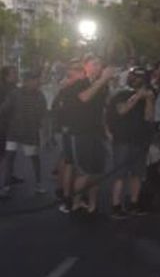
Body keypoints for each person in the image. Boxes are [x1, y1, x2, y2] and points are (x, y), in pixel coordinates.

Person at [66, 56, 117, 214]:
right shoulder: (79, 83)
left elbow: (102, 110)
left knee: (97, 171)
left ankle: (92, 204)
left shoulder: (103, 86)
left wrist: (107, 130)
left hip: (97, 133)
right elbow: (85, 98)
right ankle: (75, 202)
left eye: (100, 64)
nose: (98, 66)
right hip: (81, 132)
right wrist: (103, 79)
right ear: (86, 67)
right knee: (84, 171)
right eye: (94, 64)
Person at [106, 67, 155, 218]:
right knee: (120, 174)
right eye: (135, 76)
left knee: (137, 174)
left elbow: (149, 118)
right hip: (122, 140)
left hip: (140, 140)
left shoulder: (144, 96)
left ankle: (134, 203)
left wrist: (149, 100)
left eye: (141, 77)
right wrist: (137, 96)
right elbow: (122, 110)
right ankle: (116, 205)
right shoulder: (121, 93)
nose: (138, 79)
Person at [0, 71, 49, 197]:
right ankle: (6, 185)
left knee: (34, 158)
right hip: (13, 131)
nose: (37, 82)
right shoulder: (15, 93)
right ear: (27, 81)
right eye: (35, 80)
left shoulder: (40, 95)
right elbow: (4, 109)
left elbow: (44, 115)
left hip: (30, 132)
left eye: (37, 80)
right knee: (9, 158)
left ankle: (38, 183)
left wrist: (46, 134)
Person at [51, 61, 86, 212]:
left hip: (65, 129)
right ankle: (66, 195)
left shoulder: (65, 89)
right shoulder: (68, 89)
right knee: (70, 163)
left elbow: (54, 107)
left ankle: (63, 191)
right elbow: (58, 109)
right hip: (68, 130)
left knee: (66, 161)